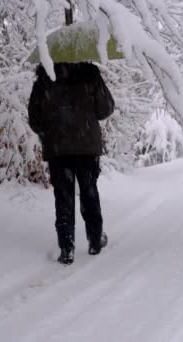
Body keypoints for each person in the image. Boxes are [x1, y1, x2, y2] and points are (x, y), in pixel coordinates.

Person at [28, 62, 115, 265]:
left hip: (58, 149)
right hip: (86, 147)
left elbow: (34, 119)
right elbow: (105, 109)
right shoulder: (89, 74)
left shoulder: (45, 76)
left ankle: (67, 247)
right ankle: (95, 240)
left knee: (63, 198)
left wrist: (50, 130)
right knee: (89, 193)